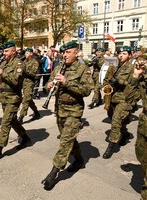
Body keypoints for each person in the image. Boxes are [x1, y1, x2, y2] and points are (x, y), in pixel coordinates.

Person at [41, 41, 93, 190]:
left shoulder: (83, 69)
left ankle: (53, 174)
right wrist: (48, 86)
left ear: (76, 53)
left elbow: (86, 90)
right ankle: (79, 160)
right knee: (69, 139)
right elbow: (48, 83)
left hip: (74, 112)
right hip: (60, 110)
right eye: (63, 53)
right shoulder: (59, 67)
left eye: (68, 52)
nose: (65, 55)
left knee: (64, 142)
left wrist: (66, 82)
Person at [0, 41, 32, 163]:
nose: (4, 53)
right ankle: (25, 138)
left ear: (13, 51)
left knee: (5, 123)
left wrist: (1, 72)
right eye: (4, 51)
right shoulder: (5, 63)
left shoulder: (19, 64)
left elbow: (15, 81)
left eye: (6, 51)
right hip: (4, 97)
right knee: (12, 121)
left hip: (13, 98)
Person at [102, 46, 135, 159]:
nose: (121, 55)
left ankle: (111, 146)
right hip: (112, 97)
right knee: (112, 117)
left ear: (130, 55)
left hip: (124, 98)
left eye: (124, 53)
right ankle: (125, 134)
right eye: (120, 53)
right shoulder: (114, 65)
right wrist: (105, 86)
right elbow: (106, 78)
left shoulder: (133, 67)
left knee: (115, 122)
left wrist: (118, 81)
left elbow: (132, 84)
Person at [123, 53, 146, 200]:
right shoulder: (143, 79)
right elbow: (129, 98)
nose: (142, 63)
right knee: (141, 156)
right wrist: (135, 77)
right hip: (144, 124)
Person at [17, 47, 40, 124]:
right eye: (25, 53)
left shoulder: (35, 62)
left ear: (31, 53)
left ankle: (21, 117)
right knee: (29, 99)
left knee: (26, 99)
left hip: (29, 83)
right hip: (22, 82)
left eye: (27, 53)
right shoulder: (23, 61)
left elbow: (33, 73)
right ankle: (36, 113)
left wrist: (24, 69)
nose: (25, 54)